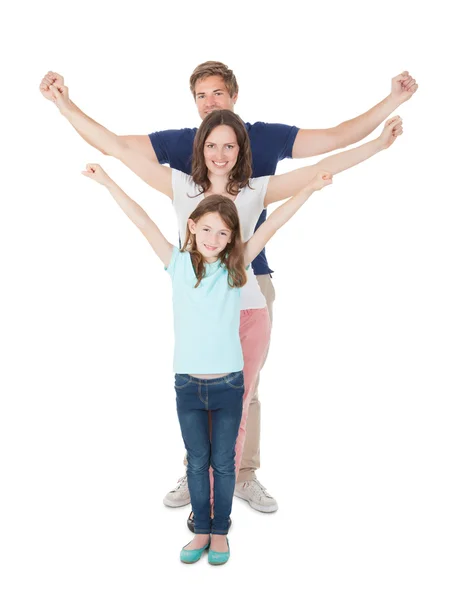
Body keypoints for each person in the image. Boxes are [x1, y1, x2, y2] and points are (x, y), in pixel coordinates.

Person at [39, 61, 414, 514]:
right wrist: (64, 104)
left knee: (245, 390)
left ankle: (241, 475)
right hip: (200, 298)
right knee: (201, 388)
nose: (219, 147)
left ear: (235, 104)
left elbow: (331, 150)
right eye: (202, 97)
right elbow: (117, 147)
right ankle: (199, 471)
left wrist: (379, 140)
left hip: (250, 290)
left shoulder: (258, 180)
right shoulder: (180, 178)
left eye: (218, 96)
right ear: (199, 134)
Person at [82, 162, 333, 564]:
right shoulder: (177, 264)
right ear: (193, 225)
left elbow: (274, 225)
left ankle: (220, 531)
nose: (214, 238)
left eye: (224, 232)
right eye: (207, 229)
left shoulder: (236, 269)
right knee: (197, 461)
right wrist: (107, 181)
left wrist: (309, 190)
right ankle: (201, 529)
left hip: (229, 384)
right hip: (187, 385)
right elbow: (141, 220)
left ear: (233, 238)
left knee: (224, 461)